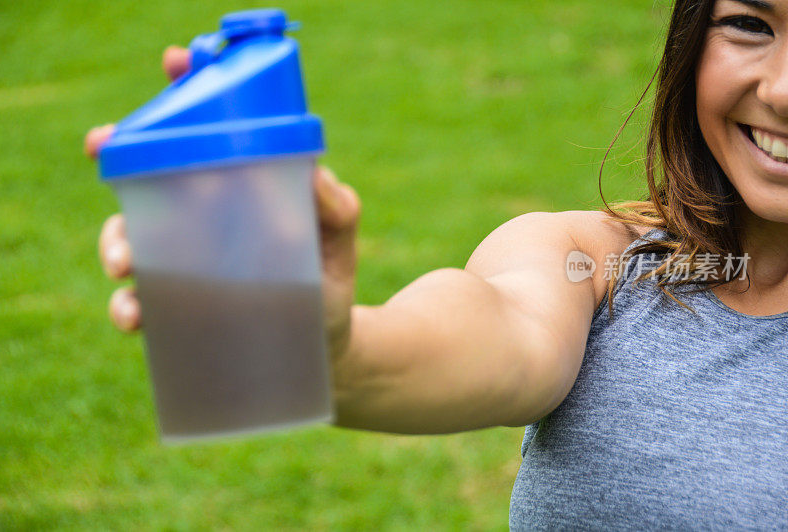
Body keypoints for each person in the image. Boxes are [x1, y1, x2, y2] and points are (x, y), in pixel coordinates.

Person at [86, 0, 788, 527]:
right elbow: (495, 332)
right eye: (751, 25)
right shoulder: (598, 263)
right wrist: (317, 342)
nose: (781, 89)